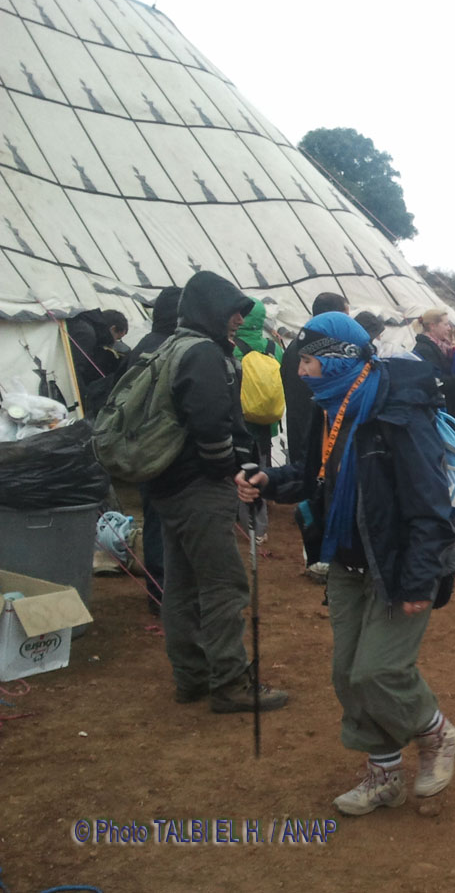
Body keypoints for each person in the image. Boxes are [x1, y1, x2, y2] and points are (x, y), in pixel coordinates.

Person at [237, 312, 455, 815]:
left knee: (377, 672)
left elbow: (430, 508)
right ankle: (383, 774)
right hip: (348, 561)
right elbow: (318, 478)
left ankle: (437, 733)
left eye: (311, 361)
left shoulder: (399, 415)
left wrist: (419, 581)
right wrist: (270, 480)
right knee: (346, 674)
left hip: (399, 564)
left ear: (339, 360)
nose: (301, 371)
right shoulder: (332, 408)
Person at [146, 271, 288, 713]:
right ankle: (228, 680)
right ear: (211, 311)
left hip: (166, 483)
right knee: (224, 585)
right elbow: (210, 427)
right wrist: (229, 469)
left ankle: (191, 676)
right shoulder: (203, 354)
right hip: (199, 487)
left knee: (183, 583)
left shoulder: (167, 347)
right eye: (230, 312)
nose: (235, 321)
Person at [124, 287, 182, 616]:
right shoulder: (175, 349)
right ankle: (168, 595)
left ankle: (157, 592)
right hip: (168, 452)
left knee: (154, 521)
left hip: (144, 451)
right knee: (170, 523)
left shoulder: (141, 347)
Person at [282, 292, 348, 464]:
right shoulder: (327, 348)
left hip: (298, 430)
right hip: (321, 439)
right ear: (336, 316)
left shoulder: (295, 344)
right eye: (346, 315)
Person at [232, 298, 284, 468]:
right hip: (266, 423)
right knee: (263, 466)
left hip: (240, 422)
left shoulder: (230, 347)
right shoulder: (273, 348)